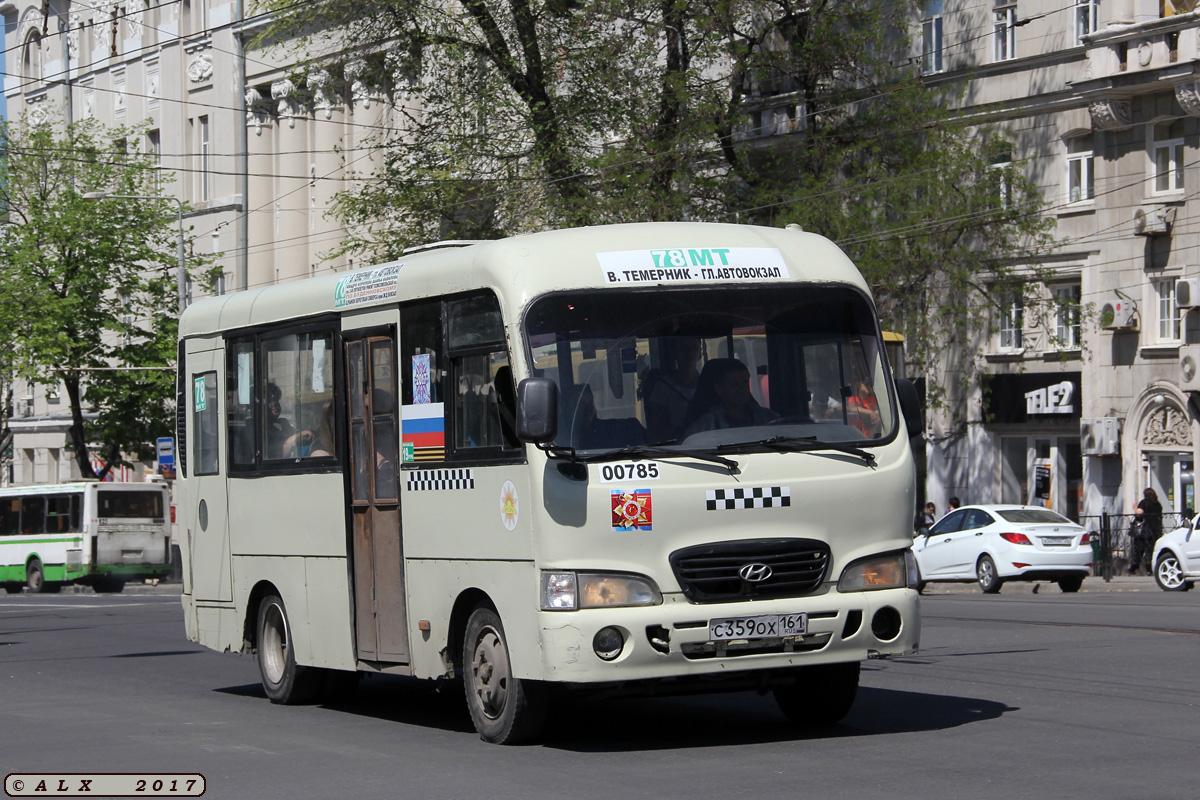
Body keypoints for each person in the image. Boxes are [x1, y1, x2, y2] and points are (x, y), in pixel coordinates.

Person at [682, 358, 778, 437]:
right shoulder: (703, 428)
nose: (742, 390)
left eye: (745, 383)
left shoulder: (769, 418)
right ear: (719, 389)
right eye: (734, 385)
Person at [646, 336, 702, 443]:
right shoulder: (662, 388)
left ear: (700, 352)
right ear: (674, 352)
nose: (689, 353)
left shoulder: (708, 383)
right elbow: (657, 430)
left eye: (694, 347)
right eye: (683, 348)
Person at [1130, 488, 1163, 575]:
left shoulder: (1144, 502)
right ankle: (1150, 569)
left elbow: (1139, 513)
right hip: (1156, 530)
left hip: (1146, 530)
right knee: (1151, 549)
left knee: (1139, 548)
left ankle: (1135, 566)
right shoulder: (1158, 504)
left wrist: (1135, 508)